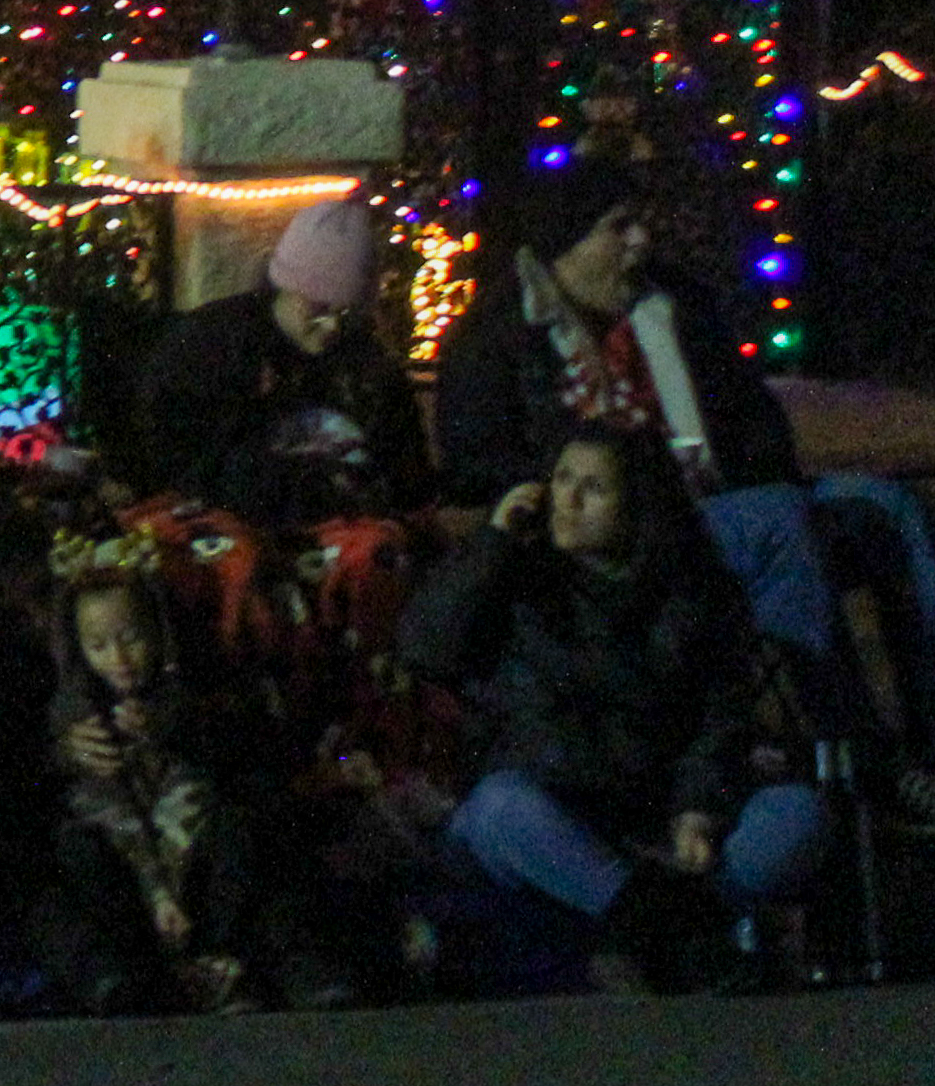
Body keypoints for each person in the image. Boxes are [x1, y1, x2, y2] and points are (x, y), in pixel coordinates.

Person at [432, 162, 935, 778]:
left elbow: (756, 418)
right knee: (779, 524)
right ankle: (854, 749)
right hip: (629, 535)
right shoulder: (495, 340)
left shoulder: (674, 307)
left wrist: (752, 468)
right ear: (566, 246)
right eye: (619, 228)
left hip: (728, 501)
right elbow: (475, 469)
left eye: (641, 223)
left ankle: (926, 740)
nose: (640, 241)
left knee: (891, 508)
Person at [401, 424, 830, 993]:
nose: (567, 501)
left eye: (594, 488)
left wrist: (696, 812)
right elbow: (425, 650)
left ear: (637, 506)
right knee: (500, 811)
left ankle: (643, 931)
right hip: (560, 819)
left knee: (795, 818)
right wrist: (493, 541)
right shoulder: (515, 576)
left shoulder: (693, 591)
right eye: (561, 480)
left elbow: (719, 721)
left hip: (658, 816)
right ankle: (678, 935)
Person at [120, 197, 432, 686]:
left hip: (338, 525)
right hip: (230, 512)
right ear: (286, 286)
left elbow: (402, 469)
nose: (330, 327)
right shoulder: (212, 348)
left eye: (346, 313)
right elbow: (174, 458)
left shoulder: (369, 369)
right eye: (318, 308)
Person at [27, 562, 302, 1015]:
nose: (118, 659)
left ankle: (253, 966)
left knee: (245, 833)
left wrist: (174, 728)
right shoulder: (72, 710)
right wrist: (65, 755)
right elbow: (103, 807)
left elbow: (230, 766)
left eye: (131, 639)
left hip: (198, 868)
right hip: (131, 874)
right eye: (98, 646)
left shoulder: (197, 686)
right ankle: (124, 980)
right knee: (69, 855)